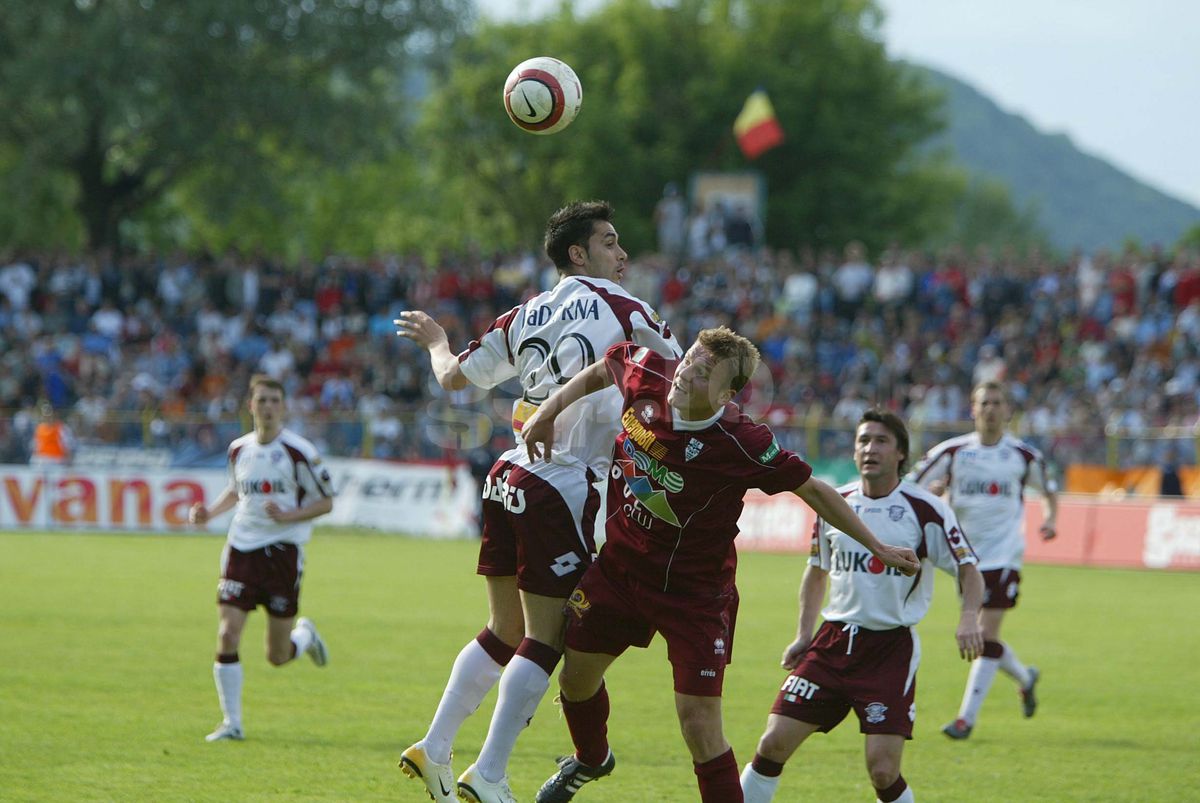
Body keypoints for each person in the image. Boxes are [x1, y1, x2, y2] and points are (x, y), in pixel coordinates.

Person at [522, 328, 921, 803]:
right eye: (690, 358)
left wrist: (877, 546)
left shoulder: (743, 441)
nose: (687, 371)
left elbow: (813, 490)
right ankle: (590, 758)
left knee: (700, 727)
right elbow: (604, 366)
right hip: (621, 571)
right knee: (575, 679)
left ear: (727, 394)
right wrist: (548, 412)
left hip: (696, 597)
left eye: (705, 372)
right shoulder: (649, 370)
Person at [394, 200, 680, 803]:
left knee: (505, 627)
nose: (622, 254)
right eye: (610, 242)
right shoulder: (629, 310)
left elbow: (451, 379)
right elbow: (683, 384)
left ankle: (435, 746)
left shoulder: (521, 316)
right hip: (565, 480)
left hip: (507, 474)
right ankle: (490, 775)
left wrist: (438, 341)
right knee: (546, 638)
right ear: (578, 253)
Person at [740, 409, 984, 803]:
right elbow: (816, 572)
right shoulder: (836, 504)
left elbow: (970, 570)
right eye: (863, 441)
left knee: (883, 771)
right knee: (772, 743)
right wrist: (804, 634)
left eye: (881, 441)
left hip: (888, 650)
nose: (870, 448)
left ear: (901, 454)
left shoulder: (925, 510)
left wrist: (970, 615)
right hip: (832, 642)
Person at [907, 380, 1058, 739]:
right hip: (964, 558)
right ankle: (1024, 677)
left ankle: (966, 720)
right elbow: (911, 484)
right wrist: (932, 494)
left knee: (984, 634)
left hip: (1005, 554)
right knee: (983, 638)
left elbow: (1049, 491)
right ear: (973, 410)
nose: (990, 409)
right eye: (984, 403)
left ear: (1008, 411)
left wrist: (1051, 518)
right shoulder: (953, 451)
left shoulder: (1022, 456)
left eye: (997, 403)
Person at [188, 374, 335, 742]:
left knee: (278, 655)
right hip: (241, 548)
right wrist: (209, 512)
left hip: (283, 554)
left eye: (274, 400)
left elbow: (327, 502)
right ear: (250, 406)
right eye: (262, 400)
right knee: (227, 633)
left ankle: (304, 637)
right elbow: (236, 492)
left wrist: (288, 516)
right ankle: (232, 723)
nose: (268, 407)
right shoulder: (239, 449)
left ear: (282, 407)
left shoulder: (299, 451)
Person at [29, 401, 74, 466]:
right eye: (45, 414)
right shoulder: (39, 428)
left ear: (55, 414)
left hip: (57, 460)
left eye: (49, 414)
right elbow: (35, 446)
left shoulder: (62, 428)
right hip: (41, 460)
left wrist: (68, 461)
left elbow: (69, 446)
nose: (47, 416)